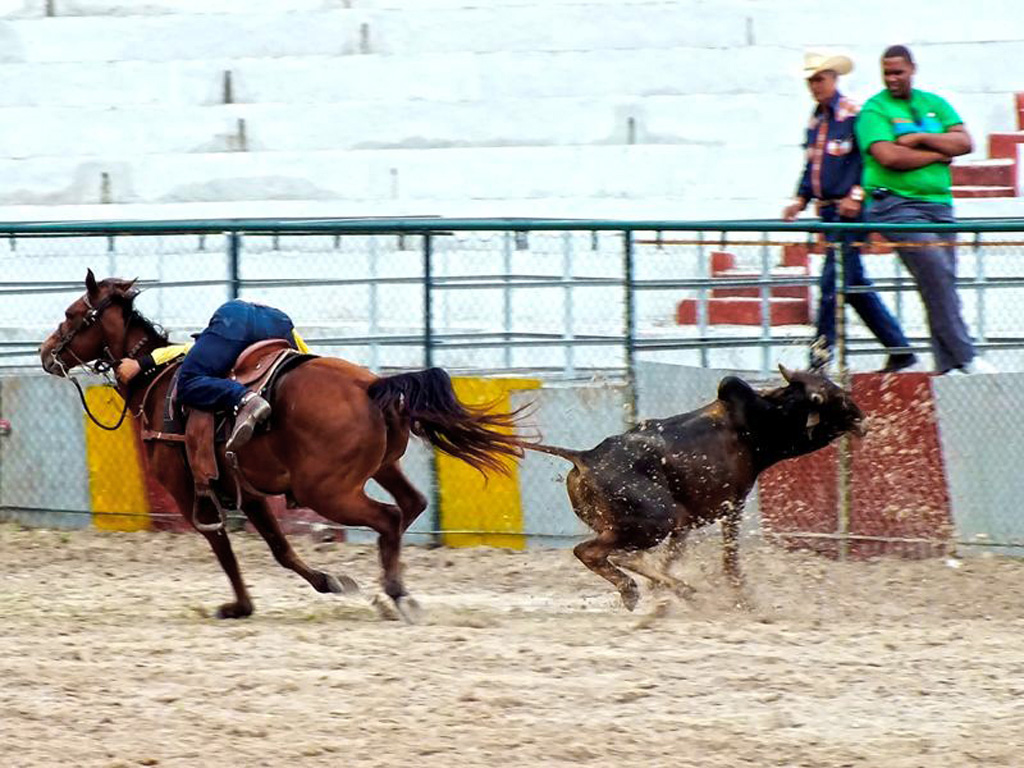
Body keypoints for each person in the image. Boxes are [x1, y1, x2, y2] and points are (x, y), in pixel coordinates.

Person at [856, 44, 993, 375]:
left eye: (898, 72)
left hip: (939, 206)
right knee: (936, 270)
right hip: (896, 206)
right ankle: (966, 355)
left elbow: (964, 142)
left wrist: (918, 138)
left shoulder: (933, 104)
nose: (892, 79)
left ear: (912, 70)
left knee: (940, 279)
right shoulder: (875, 109)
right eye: (886, 72)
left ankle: (946, 367)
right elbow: (889, 157)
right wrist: (938, 153)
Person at [783, 50, 916, 374]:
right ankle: (899, 348)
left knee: (832, 284)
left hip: (849, 214)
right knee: (852, 284)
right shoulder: (818, 120)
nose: (815, 86)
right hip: (830, 213)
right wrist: (800, 198)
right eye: (811, 80)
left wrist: (857, 194)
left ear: (833, 79)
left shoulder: (854, 114)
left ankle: (819, 361)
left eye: (820, 79)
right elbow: (813, 164)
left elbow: (867, 161)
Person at [116, 299, 309, 451]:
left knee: (188, 381)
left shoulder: (223, 337)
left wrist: (142, 362)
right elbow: (309, 360)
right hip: (279, 321)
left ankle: (244, 399)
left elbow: (187, 350)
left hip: (235, 317)